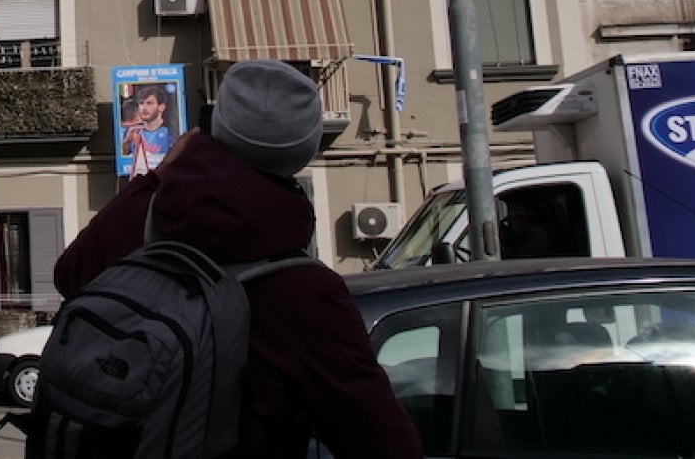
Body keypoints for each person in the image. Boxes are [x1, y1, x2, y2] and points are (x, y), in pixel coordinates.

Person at [54, 61, 423, 458]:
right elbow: (381, 441)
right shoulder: (306, 294)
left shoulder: (141, 218)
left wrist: (159, 175)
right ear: (303, 152)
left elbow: (69, 274)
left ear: (216, 127)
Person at [119, 84, 175, 175]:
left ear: (161, 107)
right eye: (141, 103)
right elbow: (121, 160)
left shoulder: (170, 132)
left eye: (149, 103)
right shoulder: (130, 132)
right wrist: (126, 143)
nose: (144, 108)